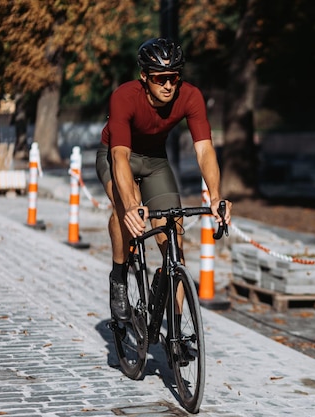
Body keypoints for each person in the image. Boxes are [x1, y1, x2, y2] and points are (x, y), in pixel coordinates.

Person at [96, 37, 232, 320]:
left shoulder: (190, 96)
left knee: (174, 244)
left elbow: (204, 149)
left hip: (155, 161)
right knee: (125, 211)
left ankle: (176, 330)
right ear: (144, 77)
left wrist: (216, 195)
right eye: (160, 78)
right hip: (118, 154)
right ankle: (119, 276)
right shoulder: (124, 97)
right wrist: (132, 205)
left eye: (173, 77)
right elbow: (120, 157)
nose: (168, 85)